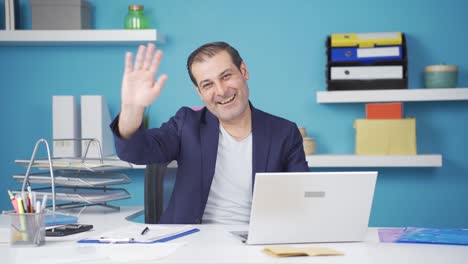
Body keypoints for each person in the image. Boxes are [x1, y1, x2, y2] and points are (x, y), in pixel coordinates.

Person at [111, 42, 308, 224]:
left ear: (244, 71)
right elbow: (137, 152)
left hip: (258, 241)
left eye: (226, 76)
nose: (221, 91)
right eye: (208, 84)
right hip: (190, 242)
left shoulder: (284, 132)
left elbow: (304, 199)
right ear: (199, 91)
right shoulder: (186, 124)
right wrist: (132, 108)